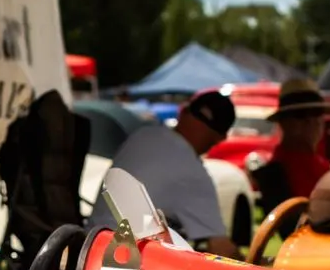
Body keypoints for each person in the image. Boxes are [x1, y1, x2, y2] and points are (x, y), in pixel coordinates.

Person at [94, 90, 239, 257]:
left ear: (184, 112)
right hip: (125, 263)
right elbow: (221, 248)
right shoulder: (192, 172)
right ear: (220, 138)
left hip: (92, 246)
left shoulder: (143, 135)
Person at [249, 78, 330, 213]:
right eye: (300, 114)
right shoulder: (274, 175)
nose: (311, 121)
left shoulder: (325, 166)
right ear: (283, 122)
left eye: (317, 112)